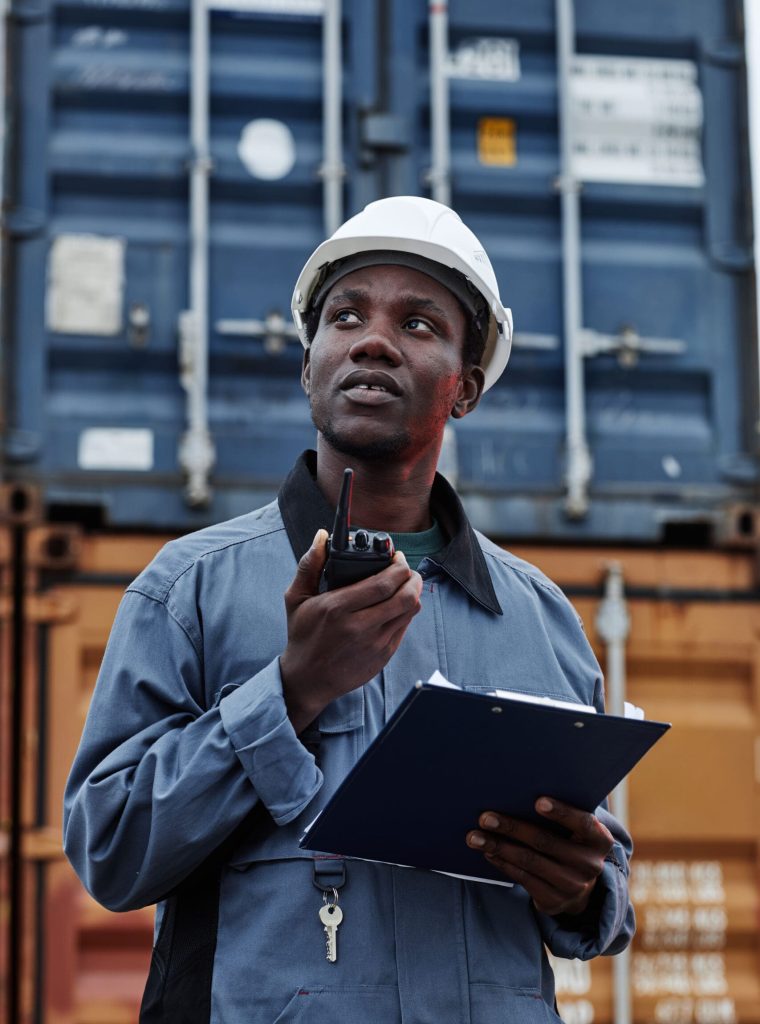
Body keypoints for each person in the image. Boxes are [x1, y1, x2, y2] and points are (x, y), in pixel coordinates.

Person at [64, 196, 634, 1023]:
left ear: (466, 388)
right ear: (309, 366)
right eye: (346, 316)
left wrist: (584, 889)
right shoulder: (189, 590)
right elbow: (111, 851)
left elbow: (602, 890)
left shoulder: (540, 622)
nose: (373, 339)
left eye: (419, 325)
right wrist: (290, 692)